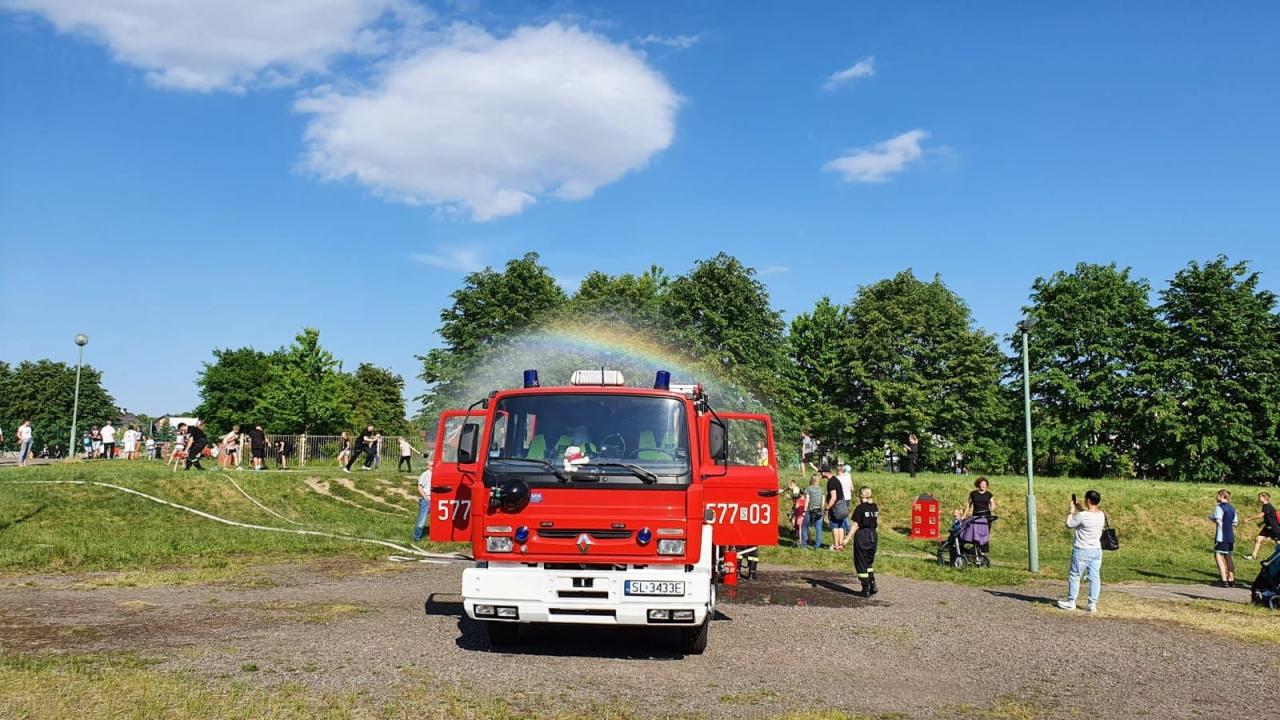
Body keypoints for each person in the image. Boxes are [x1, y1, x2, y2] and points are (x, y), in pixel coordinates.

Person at [1058, 490, 1106, 612]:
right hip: (1096, 549)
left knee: (1075, 575)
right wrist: (1080, 509)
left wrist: (1071, 511)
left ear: (1088, 500)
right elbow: (1088, 517)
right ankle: (1092, 603)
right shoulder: (1101, 515)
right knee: (1094, 576)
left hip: (1082, 549)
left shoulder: (1082, 515)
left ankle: (1071, 601)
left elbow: (1069, 524)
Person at [850, 485, 880, 597]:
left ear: (860, 496)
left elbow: (856, 524)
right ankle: (872, 583)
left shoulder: (860, 508)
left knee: (861, 563)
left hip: (862, 535)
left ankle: (865, 588)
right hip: (873, 535)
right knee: (868, 562)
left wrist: (847, 538)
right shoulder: (875, 507)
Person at [1209, 489, 1238, 588]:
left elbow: (1219, 520)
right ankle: (1231, 579)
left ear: (1222, 496)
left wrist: (1213, 519)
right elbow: (1235, 523)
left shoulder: (1219, 507)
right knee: (1228, 556)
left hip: (1222, 536)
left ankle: (1224, 579)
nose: (1216, 497)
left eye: (1218, 495)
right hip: (1230, 535)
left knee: (1218, 555)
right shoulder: (1233, 508)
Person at [963, 476, 996, 554]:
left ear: (987, 485)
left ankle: (983, 552)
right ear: (978, 485)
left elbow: (993, 505)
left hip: (986, 517)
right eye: (982, 484)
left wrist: (992, 508)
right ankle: (976, 549)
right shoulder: (973, 494)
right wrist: (964, 515)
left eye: (985, 484)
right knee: (976, 533)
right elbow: (968, 505)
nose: (983, 485)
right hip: (976, 517)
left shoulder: (989, 494)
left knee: (984, 534)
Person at [1243, 492, 1280, 561]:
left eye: (1260, 497)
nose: (1258, 498)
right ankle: (1253, 557)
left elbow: (1260, 515)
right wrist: (1261, 523)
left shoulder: (1267, 506)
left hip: (1273, 528)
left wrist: (1248, 519)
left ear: (1264, 498)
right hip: (1267, 528)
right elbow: (1270, 517)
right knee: (1258, 539)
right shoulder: (1266, 506)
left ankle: (1277, 559)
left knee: (1278, 543)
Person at [823, 466, 849, 551]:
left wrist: (827, 508)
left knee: (834, 526)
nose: (820, 474)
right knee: (840, 526)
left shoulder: (831, 482)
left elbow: (833, 497)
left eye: (821, 472)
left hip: (835, 509)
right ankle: (840, 545)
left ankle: (835, 545)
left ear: (825, 472)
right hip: (842, 507)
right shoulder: (835, 479)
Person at [802, 474, 825, 549]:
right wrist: (822, 510)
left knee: (804, 527)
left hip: (809, 511)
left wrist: (804, 511)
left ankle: (804, 545)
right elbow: (823, 501)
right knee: (818, 528)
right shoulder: (822, 489)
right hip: (819, 510)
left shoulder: (808, 489)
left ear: (811, 480)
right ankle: (817, 546)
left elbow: (807, 500)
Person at [413, 465, 433, 542]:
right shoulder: (425, 474)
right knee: (422, 519)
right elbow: (420, 487)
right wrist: (425, 497)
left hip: (434, 499)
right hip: (427, 499)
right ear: (428, 466)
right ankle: (417, 537)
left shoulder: (435, 474)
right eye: (432, 465)